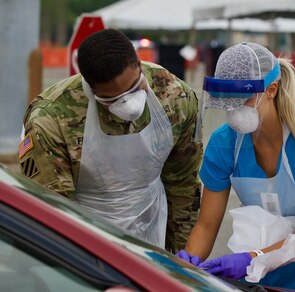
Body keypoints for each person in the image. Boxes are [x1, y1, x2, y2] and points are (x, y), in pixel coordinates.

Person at [176, 41, 295, 291]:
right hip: (264, 273)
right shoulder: (224, 142)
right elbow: (206, 225)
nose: (233, 109)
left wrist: (249, 260)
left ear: (272, 89)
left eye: (243, 98)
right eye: (227, 99)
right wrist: (186, 268)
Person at [17, 29, 202, 252]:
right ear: (89, 86)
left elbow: (182, 185)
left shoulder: (174, 96)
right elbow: (54, 210)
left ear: (139, 64)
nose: (128, 103)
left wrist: (183, 260)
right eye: (111, 99)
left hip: (153, 223)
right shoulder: (51, 118)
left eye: (135, 87)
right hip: (83, 232)